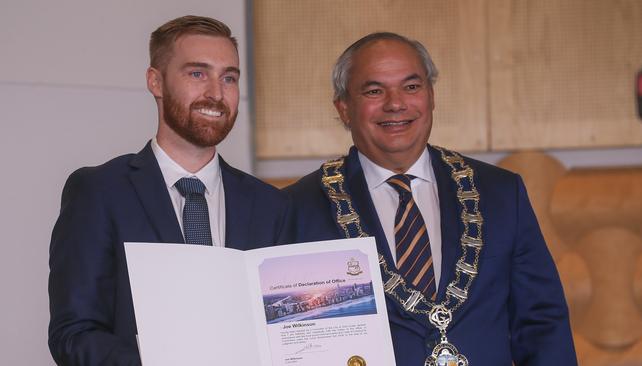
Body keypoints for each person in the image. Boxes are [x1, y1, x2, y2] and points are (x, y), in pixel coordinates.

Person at [284, 32, 577, 365]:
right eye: (374, 90)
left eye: (412, 87)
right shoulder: (299, 208)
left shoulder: (500, 192)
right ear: (344, 108)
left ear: (431, 96)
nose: (396, 103)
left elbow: (541, 323)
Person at [48, 16, 291, 366]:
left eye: (229, 77)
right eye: (197, 73)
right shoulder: (99, 191)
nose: (216, 93)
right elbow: (74, 335)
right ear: (155, 81)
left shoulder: (271, 204)